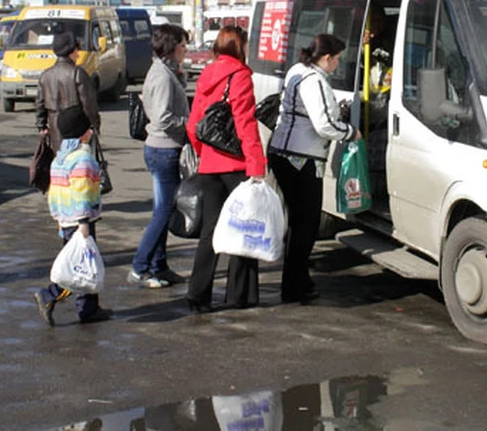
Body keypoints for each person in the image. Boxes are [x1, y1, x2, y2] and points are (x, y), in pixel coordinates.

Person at [269, 34, 360, 303]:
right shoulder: (315, 80)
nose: (338, 64)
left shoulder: (298, 70)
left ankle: (296, 280)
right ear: (327, 58)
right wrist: (350, 132)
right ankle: (295, 285)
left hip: (284, 152)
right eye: (337, 59)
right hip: (301, 157)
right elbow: (323, 126)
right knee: (305, 224)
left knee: (298, 222)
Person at [184, 25, 267, 312]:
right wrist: (257, 164)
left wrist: (203, 152)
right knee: (245, 229)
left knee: (210, 231)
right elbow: (245, 123)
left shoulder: (207, 74)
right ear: (239, 45)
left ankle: (198, 295)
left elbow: (194, 123)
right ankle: (240, 294)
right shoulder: (241, 76)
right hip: (236, 164)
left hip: (210, 164)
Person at [32, 107, 110, 326]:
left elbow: (55, 193)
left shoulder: (60, 158)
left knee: (83, 261)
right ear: (83, 133)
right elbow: (82, 194)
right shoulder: (82, 159)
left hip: (66, 219)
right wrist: (84, 222)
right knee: (80, 266)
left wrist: (59, 217)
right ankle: (50, 295)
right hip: (79, 220)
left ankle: (89, 308)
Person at [128, 24, 191, 289]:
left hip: (163, 148)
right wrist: (189, 124)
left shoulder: (164, 71)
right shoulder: (162, 75)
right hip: (163, 149)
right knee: (162, 212)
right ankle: (140, 267)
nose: (186, 50)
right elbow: (164, 117)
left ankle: (159, 266)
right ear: (172, 46)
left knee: (163, 209)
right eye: (183, 45)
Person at [35, 31, 100, 152]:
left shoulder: (46, 75)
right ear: (71, 51)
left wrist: (41, 126)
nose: (78, 54)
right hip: (79, 130)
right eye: (77, 50)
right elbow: (89, 104)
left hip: (55, 129)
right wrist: (94, 126)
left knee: (61, 163)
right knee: (81, 164)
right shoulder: (77, 73)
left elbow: (40, 104)